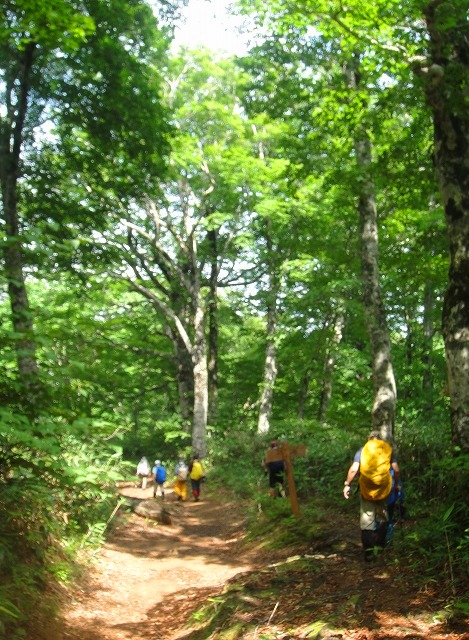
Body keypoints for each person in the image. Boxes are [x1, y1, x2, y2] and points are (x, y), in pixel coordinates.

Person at [343, 430, 401, 560]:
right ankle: (379, 549)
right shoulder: (387, 449)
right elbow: (396, 469)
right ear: (380, 439)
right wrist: (396, 484)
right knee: (383, 518)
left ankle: (369, 554)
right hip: (384, 489)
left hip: (366, 489)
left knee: (367, 521)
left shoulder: (363, 450)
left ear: (369, 439)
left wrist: (347, 484)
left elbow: (354, 469)